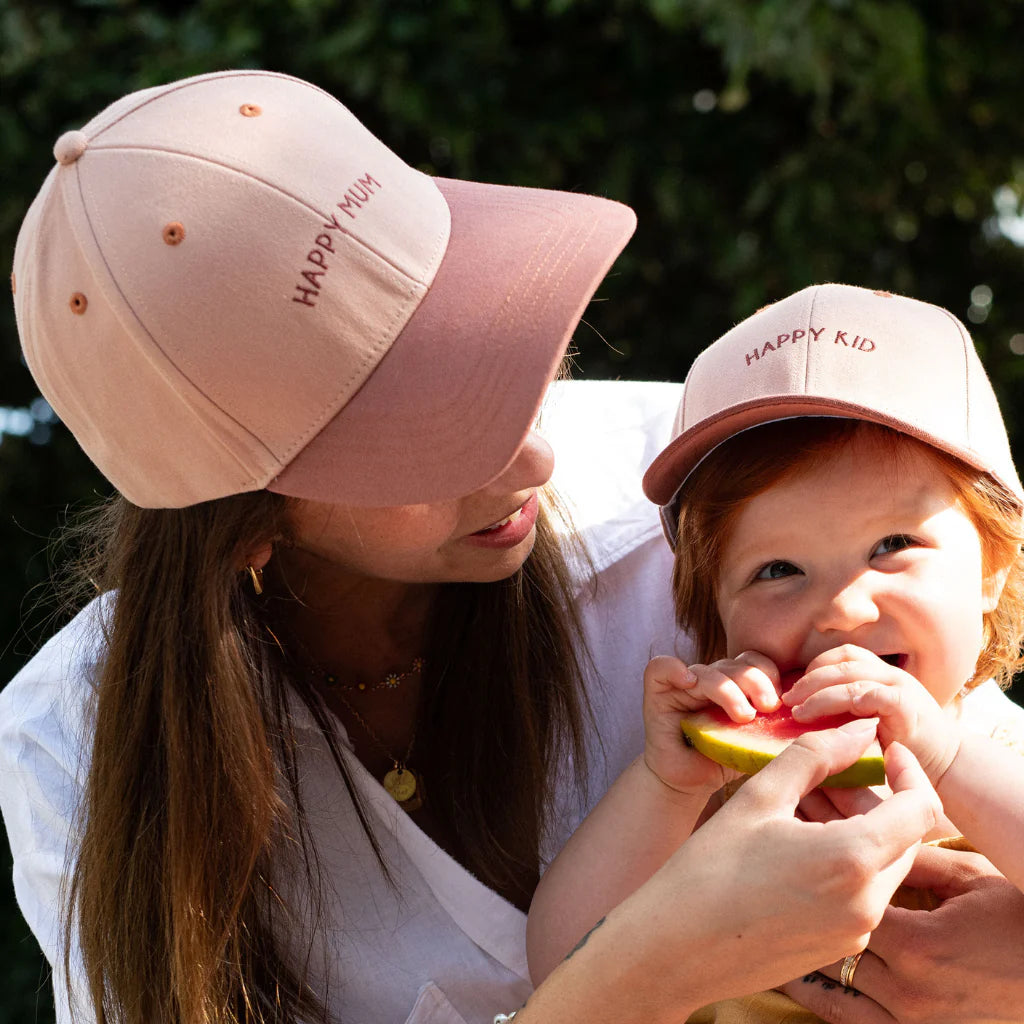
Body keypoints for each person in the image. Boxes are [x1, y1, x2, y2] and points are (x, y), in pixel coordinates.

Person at [0, 69, 992, 1024]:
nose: (533, 454)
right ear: (248, 531)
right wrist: (636, 981)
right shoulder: (68, 750)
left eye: (493, 358)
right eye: (433, 440)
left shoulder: (723, 479)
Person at [526, 283, 1024, 1023]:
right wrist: (668, 785)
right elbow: (566, 966)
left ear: (992, 573)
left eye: (893, 546)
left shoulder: (998, 743)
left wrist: (943, 755)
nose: (842, 611)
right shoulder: (726, 785)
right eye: (777, 571)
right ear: (712, 616)